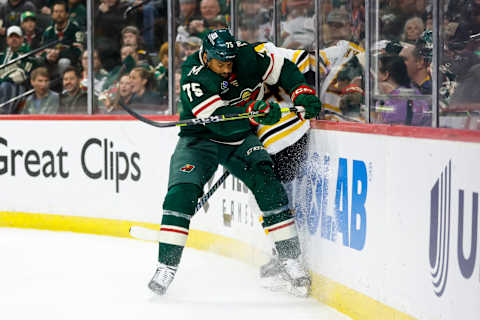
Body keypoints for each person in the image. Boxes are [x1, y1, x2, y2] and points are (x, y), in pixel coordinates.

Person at [147, 29, 321, 297]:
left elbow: (284, 68)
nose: (227, 68)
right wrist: (254, 114)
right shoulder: (194, 74)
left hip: (240, 139)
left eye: (230, 62)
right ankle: (166, 266)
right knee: (181, 194)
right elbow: (221, 121)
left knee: (268, 184)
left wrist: (300, 93)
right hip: (200, 141)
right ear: (206, 56)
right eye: (220, 63)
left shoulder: (248, 57)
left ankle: (290, 259)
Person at [374, 53, 430, 126]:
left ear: (385, 75)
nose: (373, 76)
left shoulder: (396, 103)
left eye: (375, 71)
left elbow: (383, 131)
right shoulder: (412, 92)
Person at [0, 25, 34, 114]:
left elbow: (20, 76)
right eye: (11, 37)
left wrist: (2, 79)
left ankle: (4, 114)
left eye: (17, 37)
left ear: (22, 39)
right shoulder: (1, 56)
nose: (14, 39)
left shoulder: (28, 55)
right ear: (7, 40)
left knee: (5, 85)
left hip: (18, 88)